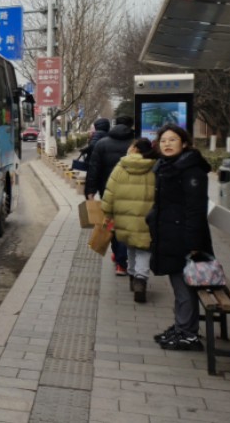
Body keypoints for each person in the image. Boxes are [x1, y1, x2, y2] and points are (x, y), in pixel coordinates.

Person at [148, 124, 213, 351]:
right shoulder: (168, 167)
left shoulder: (191, 171)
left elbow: (196, 210)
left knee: (184, 287)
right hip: (171, 236)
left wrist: (194, 245)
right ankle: (182, 326)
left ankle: (188, 334)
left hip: (184, 240)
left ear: (184, 143)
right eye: (163, 140)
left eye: (172, 140)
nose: (167, 144)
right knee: (179, 286)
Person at [101, 138, 157, 303]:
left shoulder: (121, 166)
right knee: (144, 249)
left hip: (124, 216)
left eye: (131, 147)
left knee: (131, 247)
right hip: (147, 218)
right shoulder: (154, 167)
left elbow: (109, 192)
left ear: (135, 150)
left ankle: (132, 275)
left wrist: (107, 213)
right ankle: (141, 278)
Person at [85, 115, 136, 276]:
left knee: (112, 225)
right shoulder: (137, 144)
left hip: (108, 191)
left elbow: (93, 169)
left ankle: (120, 260)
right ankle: (124, 260)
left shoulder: (102, 144)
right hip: (133, 192)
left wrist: (90, 191)